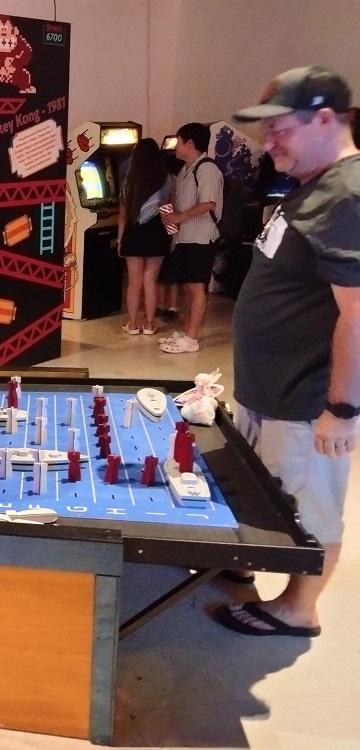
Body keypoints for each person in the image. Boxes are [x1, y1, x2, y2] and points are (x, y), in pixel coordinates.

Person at [214, 66, 360, 638]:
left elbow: (357, 313)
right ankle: (244, 561)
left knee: (311, 508)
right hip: (270, 390)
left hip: (305, 399)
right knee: (266, 489)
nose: (268, 141)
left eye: (280, 128)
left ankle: (299, 609)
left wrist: (341, 410)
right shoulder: (313, 186)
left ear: (325, 120)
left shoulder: (346, 195)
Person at [158, 122, 224, 354]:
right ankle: (187, 331)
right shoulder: (185, 170)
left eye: (179, 141)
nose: (175, 146)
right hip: (185, 238)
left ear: (191, 143)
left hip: (201, 238)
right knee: (188, 287)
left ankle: (191, 338)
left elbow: (208, 203)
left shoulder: (207, 169)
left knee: (197, 289)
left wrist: (180, 216)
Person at [117, 138, 173, 335]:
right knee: (151, 280)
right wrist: (172, 236)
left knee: (134, 282)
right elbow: (167, 209)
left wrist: (120, 240)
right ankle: (149, 324)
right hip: (156, 232)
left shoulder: (128, 181)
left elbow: (123, 215)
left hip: (133, 232)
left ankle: (132, 324)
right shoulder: (166, 180)